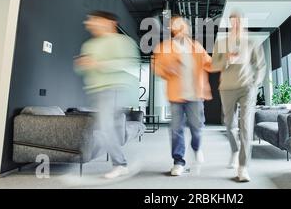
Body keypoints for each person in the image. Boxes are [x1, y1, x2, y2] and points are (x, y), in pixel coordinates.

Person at [74, 10, 139, 179]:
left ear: (110, 23)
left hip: (115, 88)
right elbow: (81, 68)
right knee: (110, 128)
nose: (90, 23)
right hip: (96, 90)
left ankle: (120, 164)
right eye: (89, 21)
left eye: (95, 20)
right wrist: (82, 64)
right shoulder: (89, 45)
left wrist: (98, 64)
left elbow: (127, 63)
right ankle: (118, 160)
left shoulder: (123, 41)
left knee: (103, 128)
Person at [154, 16, 213, 176]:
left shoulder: (196, 46)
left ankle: (196, 147)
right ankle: (178, 161)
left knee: (197, 127)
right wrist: (167, 70)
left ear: (187, 28)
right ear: (172, 29)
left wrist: (225, 61)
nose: (178, 28)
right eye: (175, 25)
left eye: (181, 25)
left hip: (195, 94)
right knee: (175, 129)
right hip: (176, 95)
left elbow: (209, 63)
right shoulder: (164, 47)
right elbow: (157, 67)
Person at [212, 12, 266, 182]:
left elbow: (260, 65)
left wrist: (255, 83)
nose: (235, 25)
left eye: (238, 22)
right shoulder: (221, 43)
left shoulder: (251, 42)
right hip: (227, 88)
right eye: (232, 22)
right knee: (229, 124)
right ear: (229, 23)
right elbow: (213, 65)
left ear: (243, 23)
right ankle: (234, 150)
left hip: (246, 88)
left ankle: (243, 167)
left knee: (246, 126)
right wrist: (226, 60)